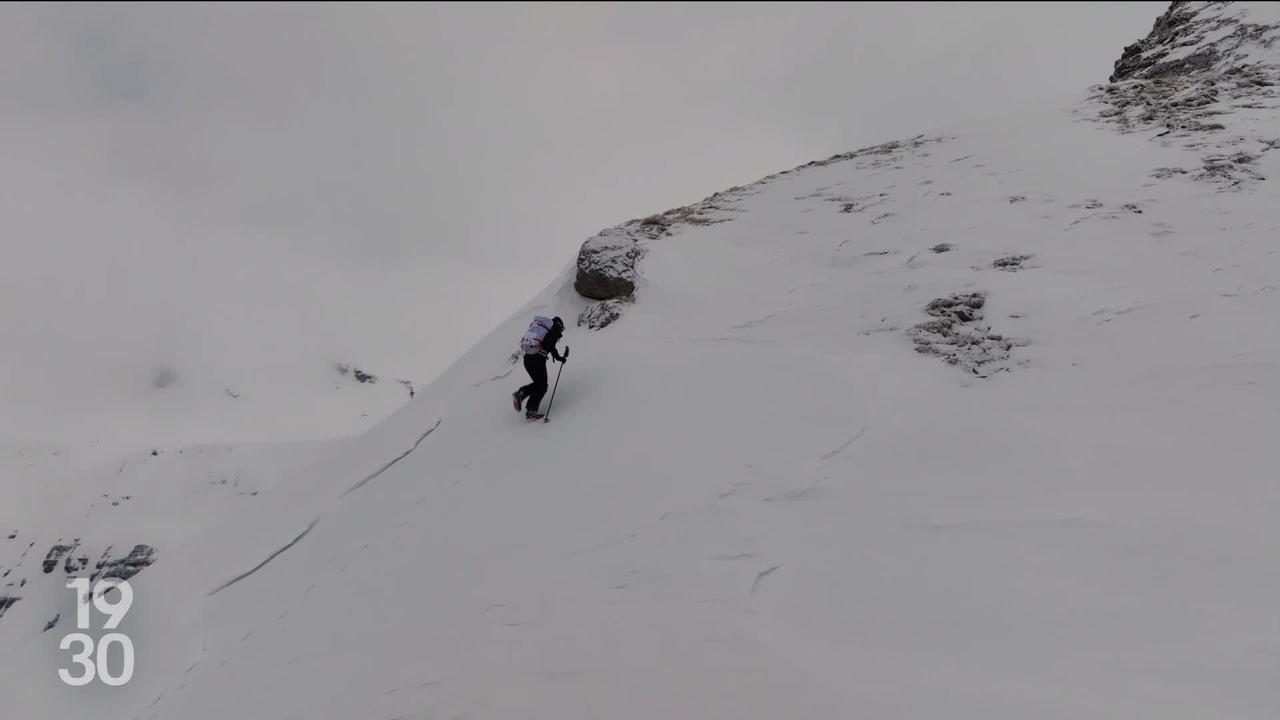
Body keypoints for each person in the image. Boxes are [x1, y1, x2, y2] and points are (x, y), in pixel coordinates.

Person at [513, 316, 565, 419]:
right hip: (537, 359)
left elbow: (549, 346)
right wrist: (560, 358)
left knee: (539, 384)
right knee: (542, 386)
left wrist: (559, 358)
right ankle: (531, 409)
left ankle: (521, 393)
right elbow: (550, 346)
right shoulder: (554, 330)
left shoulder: (544, 330)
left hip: (527, 359)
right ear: (559, 325)